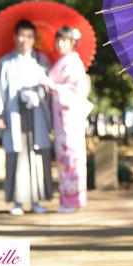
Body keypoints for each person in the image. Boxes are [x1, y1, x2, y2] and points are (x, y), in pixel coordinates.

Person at [0, 19, 53, 215]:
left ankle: (36, 201)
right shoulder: (5, 63)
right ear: (15, 37)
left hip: (37, 115)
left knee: (37, 156)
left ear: (34, 39)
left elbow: (50, 87)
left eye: (29, 36)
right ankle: (17, 201)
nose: (25, 40)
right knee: (16, 155)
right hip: (13, 116)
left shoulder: (42, 61)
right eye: (22, 35)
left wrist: (39, 94)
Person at [41, 26, 93, 213]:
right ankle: (68, 199)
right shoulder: (63, 61)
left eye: (65, 40)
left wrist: (51, 84)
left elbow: (75, 91)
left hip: (69, 115)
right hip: (61, 116)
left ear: (73, 43)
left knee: (70, 155)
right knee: (65, 156)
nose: (60, 43)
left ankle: (72, 200)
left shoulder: (73, 62)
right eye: (58, 39)